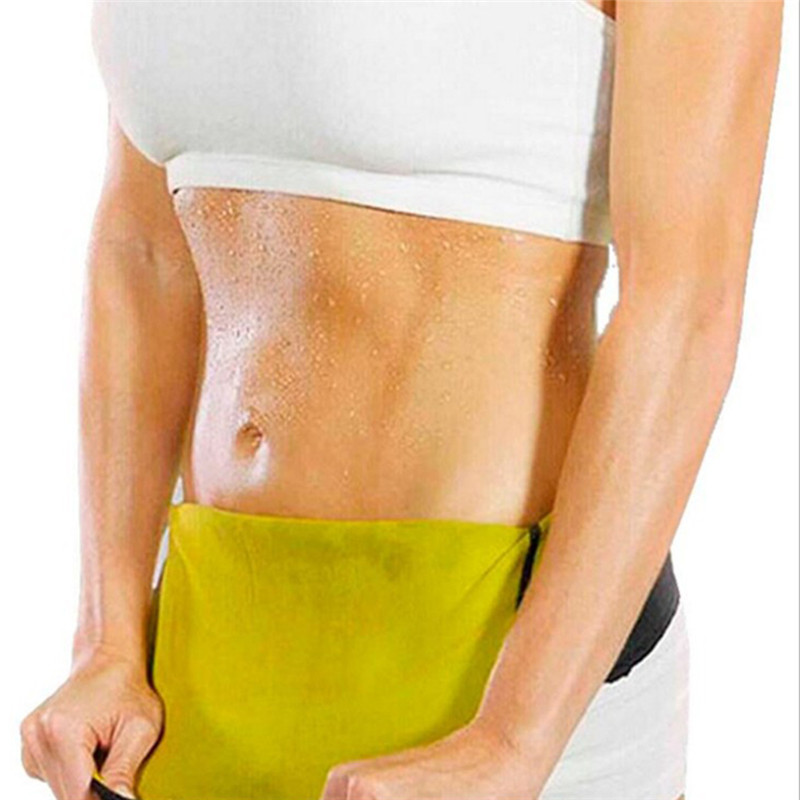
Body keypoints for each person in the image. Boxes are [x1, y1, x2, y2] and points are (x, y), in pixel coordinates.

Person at [19, 2, 783, 799]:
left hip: (508, 658)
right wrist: (106, 639)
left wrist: (511, 742)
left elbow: (686, 308)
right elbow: (143, 251)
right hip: (207, 637)